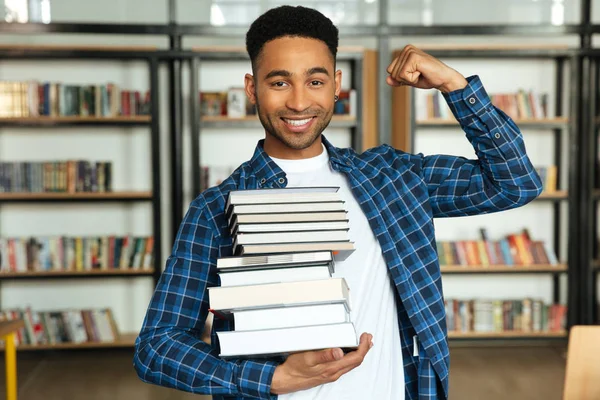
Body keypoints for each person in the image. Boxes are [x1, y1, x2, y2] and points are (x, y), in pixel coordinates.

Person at [133, 5, 543, 400]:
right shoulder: (215, 209)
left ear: (336, 84)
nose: (297, 102)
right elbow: (156, 348)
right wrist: (270, 379)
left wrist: (454, 85)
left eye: (315, 81)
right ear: (251, 89)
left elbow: (515, 183)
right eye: (279, 82)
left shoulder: (393, 178)